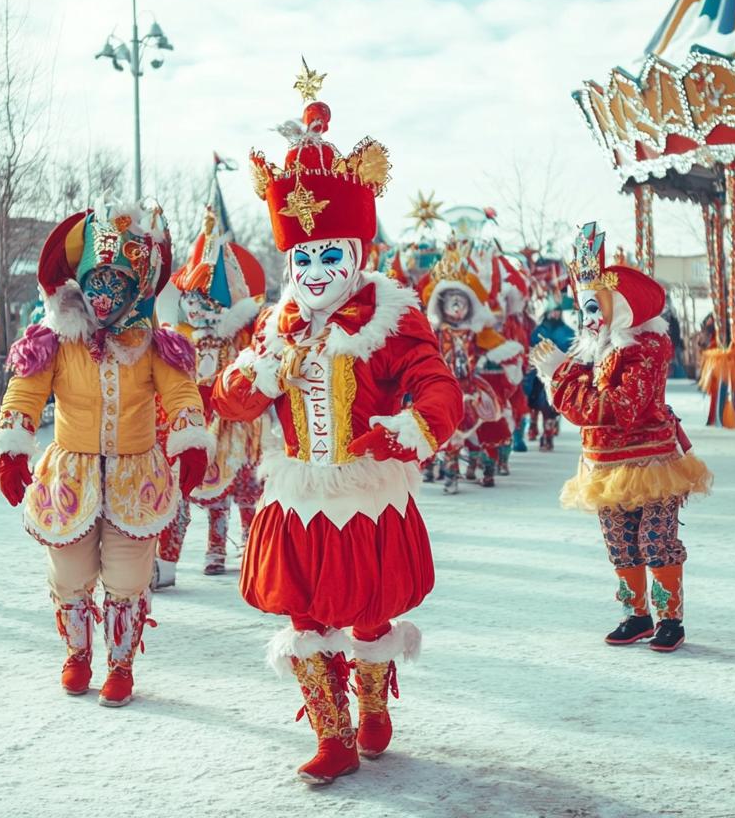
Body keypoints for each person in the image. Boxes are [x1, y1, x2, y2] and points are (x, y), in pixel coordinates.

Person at [213, 72, 462, 784]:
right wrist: (247, 381)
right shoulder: (277, 324)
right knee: (305, 614)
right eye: (303, 258)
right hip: (297, 494)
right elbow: (234, 400)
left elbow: (436, 384)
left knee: (369, 614)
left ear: (355, 255)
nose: (316, 270)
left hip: (366, 492)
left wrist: (408, 425)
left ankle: (374, 701)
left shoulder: (391, 316)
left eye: (329, 255)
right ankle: (334, 734)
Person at [0, 202, 210, 708]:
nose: (104, 295)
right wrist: (12, 446)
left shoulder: (156, 343)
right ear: (81, 283)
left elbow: (181, 395)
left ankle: (120, 662)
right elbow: (24, 393)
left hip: (137, 475)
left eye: (117, 285)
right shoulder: (58, 338)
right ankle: (77, 653)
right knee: (69, 573)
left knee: (128, 577)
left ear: (137, 288)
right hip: (72, 473)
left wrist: (190, 436)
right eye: (96, 283)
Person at [532, 222, 711, 653]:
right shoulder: (602, 350)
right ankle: (637, 615)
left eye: (596, 308)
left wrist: (562, 376)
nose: (589, 320)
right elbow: (592, 410)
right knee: (620, 540)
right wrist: (567, 373)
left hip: (652, 463)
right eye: (585, 311)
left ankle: (671, 619)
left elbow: (615, 409)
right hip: (605, 465)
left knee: (654, 539)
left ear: (624, 308)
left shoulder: (644, 349)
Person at [160, 206, 268, 578]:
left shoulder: (241, 335)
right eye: (191, 304)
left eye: (202, 303)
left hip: (240, 422)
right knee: (215, 490)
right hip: (208, 421)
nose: (194, 310)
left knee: (246, 488)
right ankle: (216, 548)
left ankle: (252, 544)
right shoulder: (190, 339)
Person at [423, 244, 523, 491]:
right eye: (452, 303)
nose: (457, 309)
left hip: (469, 387)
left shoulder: (476, 332)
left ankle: (483, 463)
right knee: (445, 430)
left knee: (482, 426)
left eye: (461, 303)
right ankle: (450, 471)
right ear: (441, 305)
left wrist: (507, 363)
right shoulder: (435, 332)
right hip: (442, 388)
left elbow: (500, 348)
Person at [525, 297, 574, 451]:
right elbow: (531, 345)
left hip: (557, 373)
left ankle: (548, 436)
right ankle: (533, 426)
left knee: (551, 408)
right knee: (533, 400)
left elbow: (571, 349)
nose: (555, 314)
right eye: (553, 311)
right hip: (538, 374)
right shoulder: (538, 330)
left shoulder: (567, 331)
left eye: (557, 311)